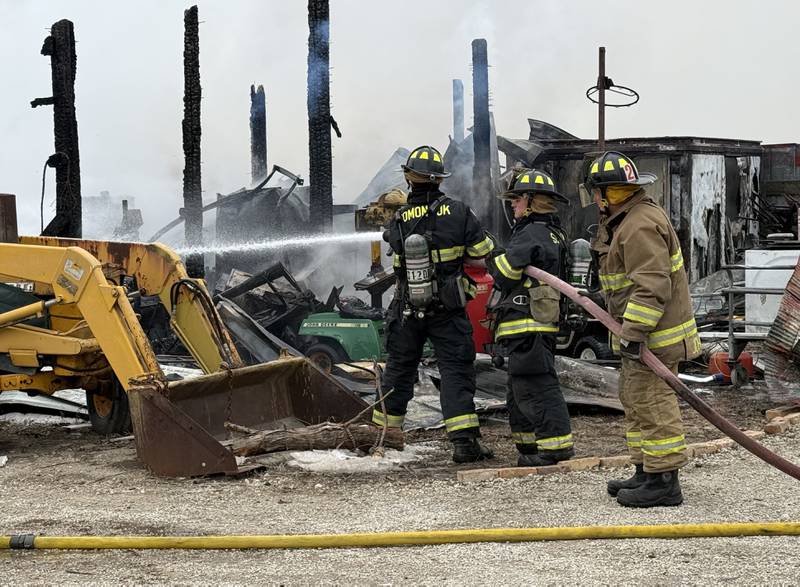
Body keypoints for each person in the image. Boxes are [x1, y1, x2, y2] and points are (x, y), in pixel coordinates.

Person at [582, 151, 701, 507]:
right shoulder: (626, 221)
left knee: (652, 402)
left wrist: (633, 334)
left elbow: (651, 286)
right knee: (635, 401)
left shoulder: (638, 225)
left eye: (598, 193)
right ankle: (646, 470)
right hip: (640, 337)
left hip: (653, 339)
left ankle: (665, 481)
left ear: (608, 193)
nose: (595, 201)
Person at [376, 145, 495, 462]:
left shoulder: (399, 219)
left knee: (398, 372)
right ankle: (464, 444)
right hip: (448, 308)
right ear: (440, 180)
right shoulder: (459, 212)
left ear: (409, 179)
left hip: (406, 308)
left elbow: (394, 250)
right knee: (455, 372)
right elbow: (480, 254)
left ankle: (384, 440)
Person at [486, 169, 574, 467]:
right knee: (519, 389)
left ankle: (556, 448)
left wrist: (493, 255)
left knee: (536, 384)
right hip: (532, 324)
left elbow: (506, 274)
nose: (512, 206)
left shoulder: (532, 233)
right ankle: (529, 449)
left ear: (530, 201)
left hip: (528, 323)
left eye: (516, 199)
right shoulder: (552, 232)